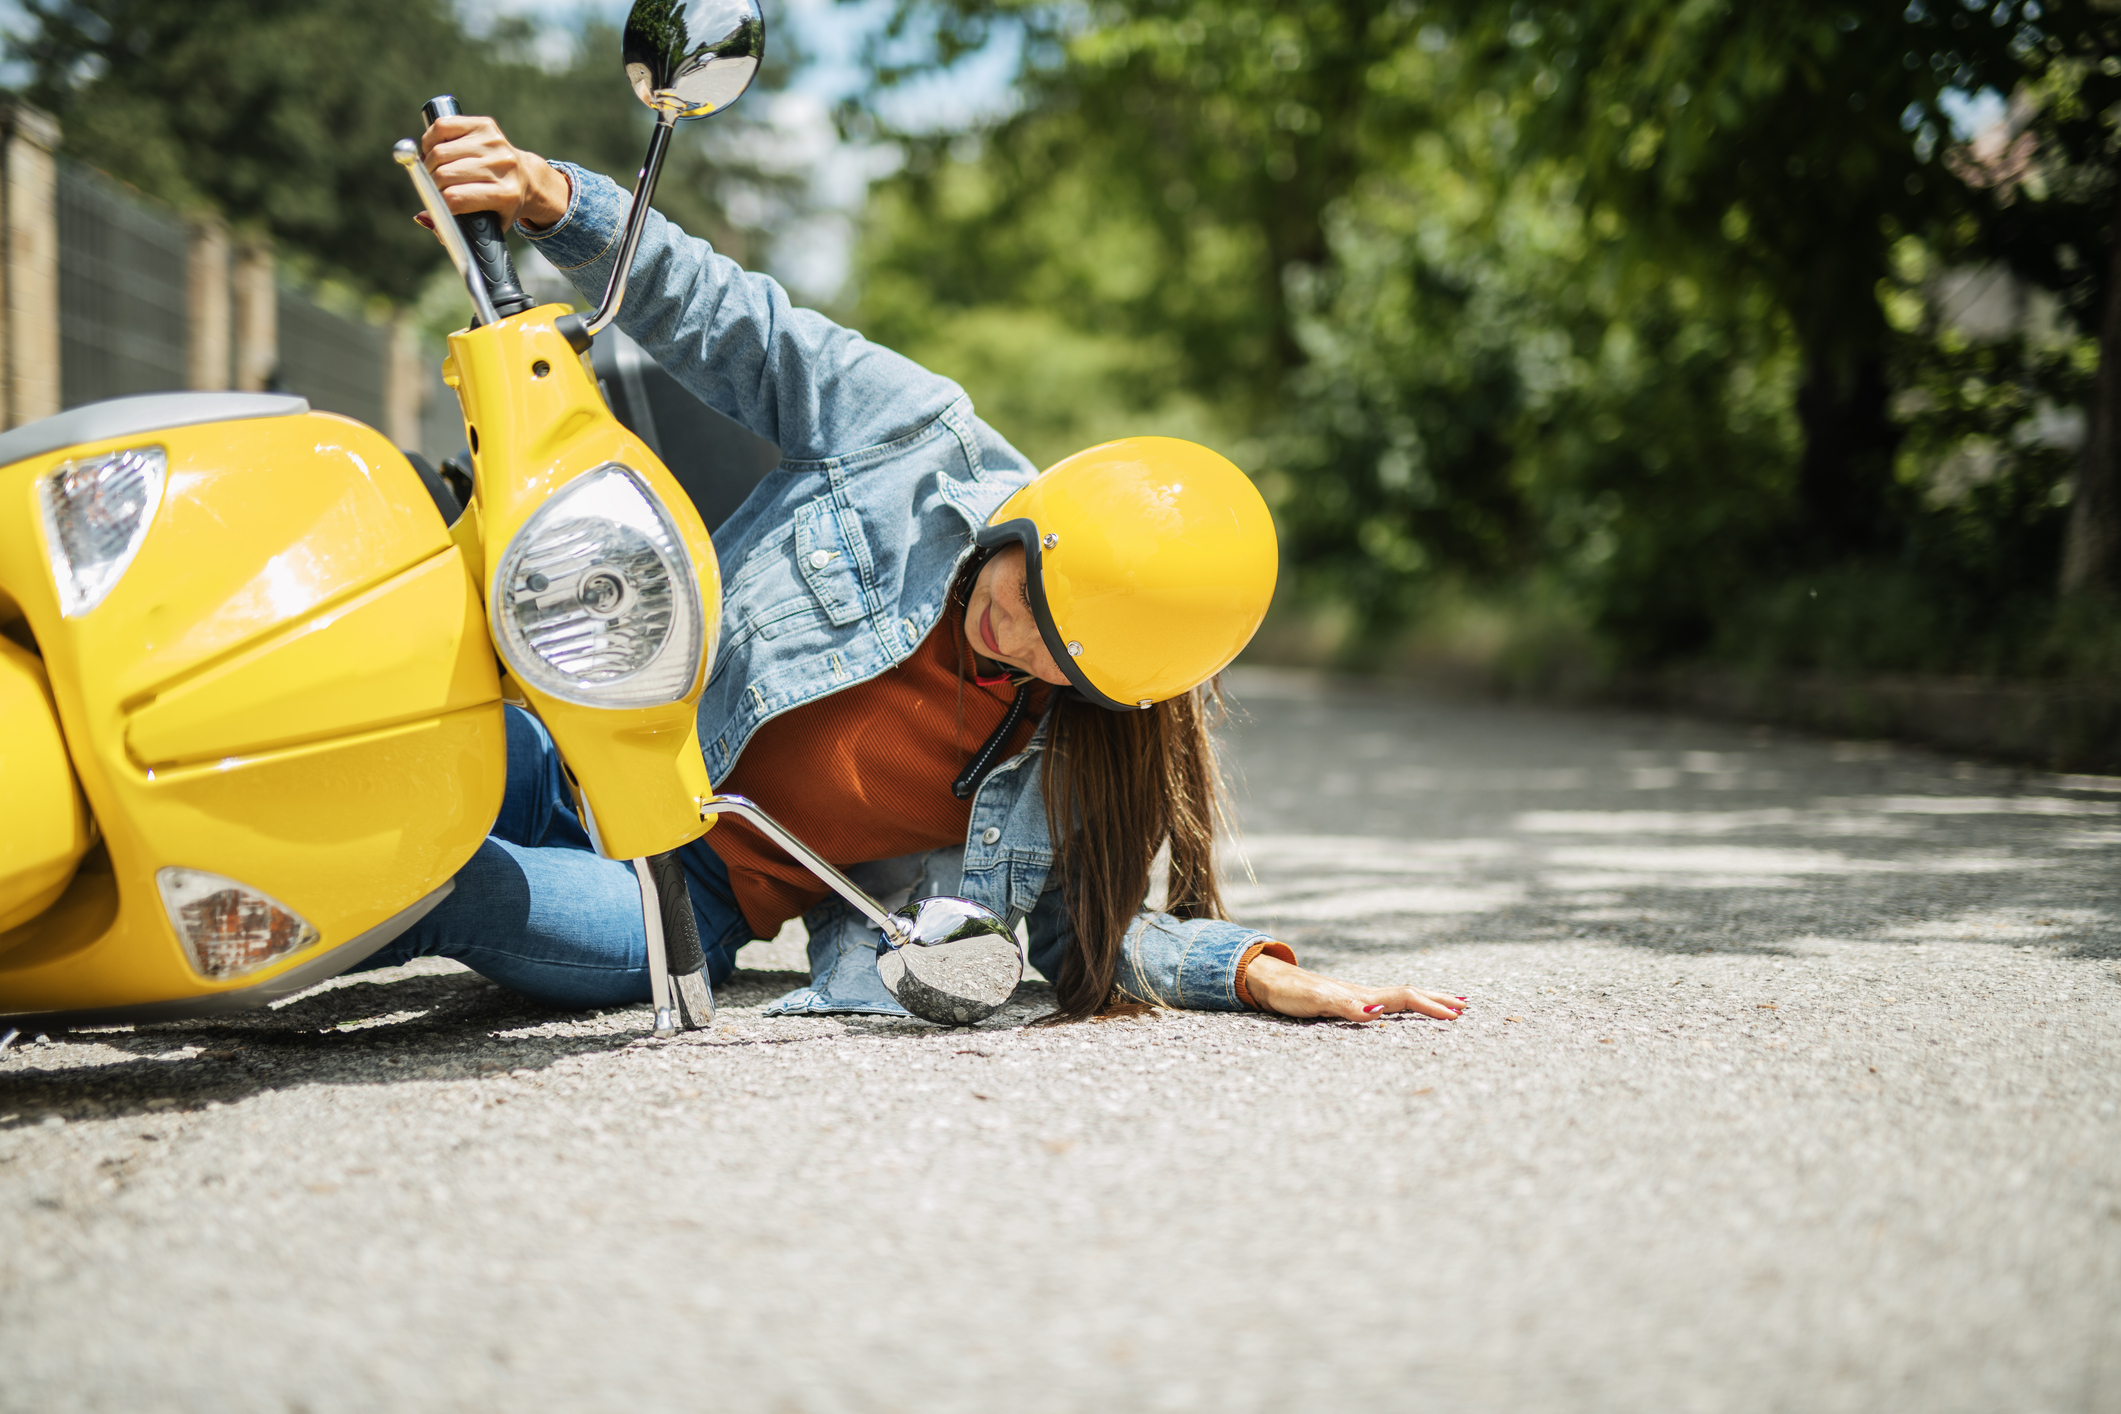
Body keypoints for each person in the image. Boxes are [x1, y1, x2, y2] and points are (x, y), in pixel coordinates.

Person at [355, 113, 1467, 1028]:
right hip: (577, 724)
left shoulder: (1072, 747)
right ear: (1033, 523)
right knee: (341, 739)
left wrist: (1254, 972)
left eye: (1060, 661)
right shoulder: (918, 436)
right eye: (1034, 593)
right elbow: (736, 324)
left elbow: (1083, 936)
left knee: (417, 884)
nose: (1015, 640)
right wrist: (556, 195)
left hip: (677, 898)